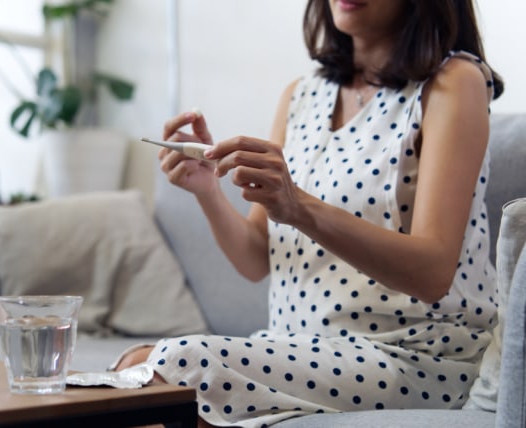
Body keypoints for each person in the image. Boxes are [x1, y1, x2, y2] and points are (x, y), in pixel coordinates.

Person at [115, 0, 504, 426]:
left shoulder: (453, 82)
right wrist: (207, 189)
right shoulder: (301, 95)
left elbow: (433, 273)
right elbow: (255, 258)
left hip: (413, 356)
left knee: (172, 363)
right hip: (296, 346)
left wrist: (298, 206)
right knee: (140, 367)